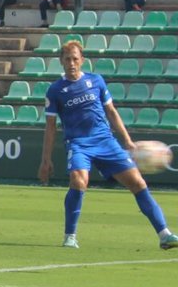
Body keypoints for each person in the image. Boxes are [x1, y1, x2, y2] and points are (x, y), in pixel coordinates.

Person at [38, 39, 178, 250]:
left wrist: (128, 141)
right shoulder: (55, 90)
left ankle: (164, 235)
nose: (72, 63)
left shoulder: (96, 81)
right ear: (61, 61)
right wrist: (45, 160)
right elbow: (51, 127)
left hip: (105, 141)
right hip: (79, 144)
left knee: (138, 184)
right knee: (78, 181)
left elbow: (111, 112)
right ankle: (70, 236)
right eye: (67, 59)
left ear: (82, 60)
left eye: (75, 59)